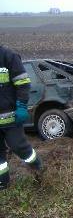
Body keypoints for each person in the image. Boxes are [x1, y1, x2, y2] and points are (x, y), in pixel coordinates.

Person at [0, 45, 44, 190]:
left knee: (19, 147)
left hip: (11, 118)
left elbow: (23, 84)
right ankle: (3, 185)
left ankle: (39, 170)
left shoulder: (8, 55)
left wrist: (21, 106)